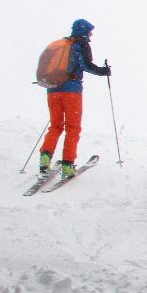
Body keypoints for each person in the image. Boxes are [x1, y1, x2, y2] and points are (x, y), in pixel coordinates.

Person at [38, 19, 111, 179]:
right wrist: (103, 71)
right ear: (84, 31)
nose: (91, 34)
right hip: (72, 92)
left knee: (56, 126)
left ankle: (45, 156)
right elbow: (86, 66)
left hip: (52, 90)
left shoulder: (61, 45)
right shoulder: (80, 45)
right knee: (73, 128)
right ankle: (68, 165)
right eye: (90, 31)